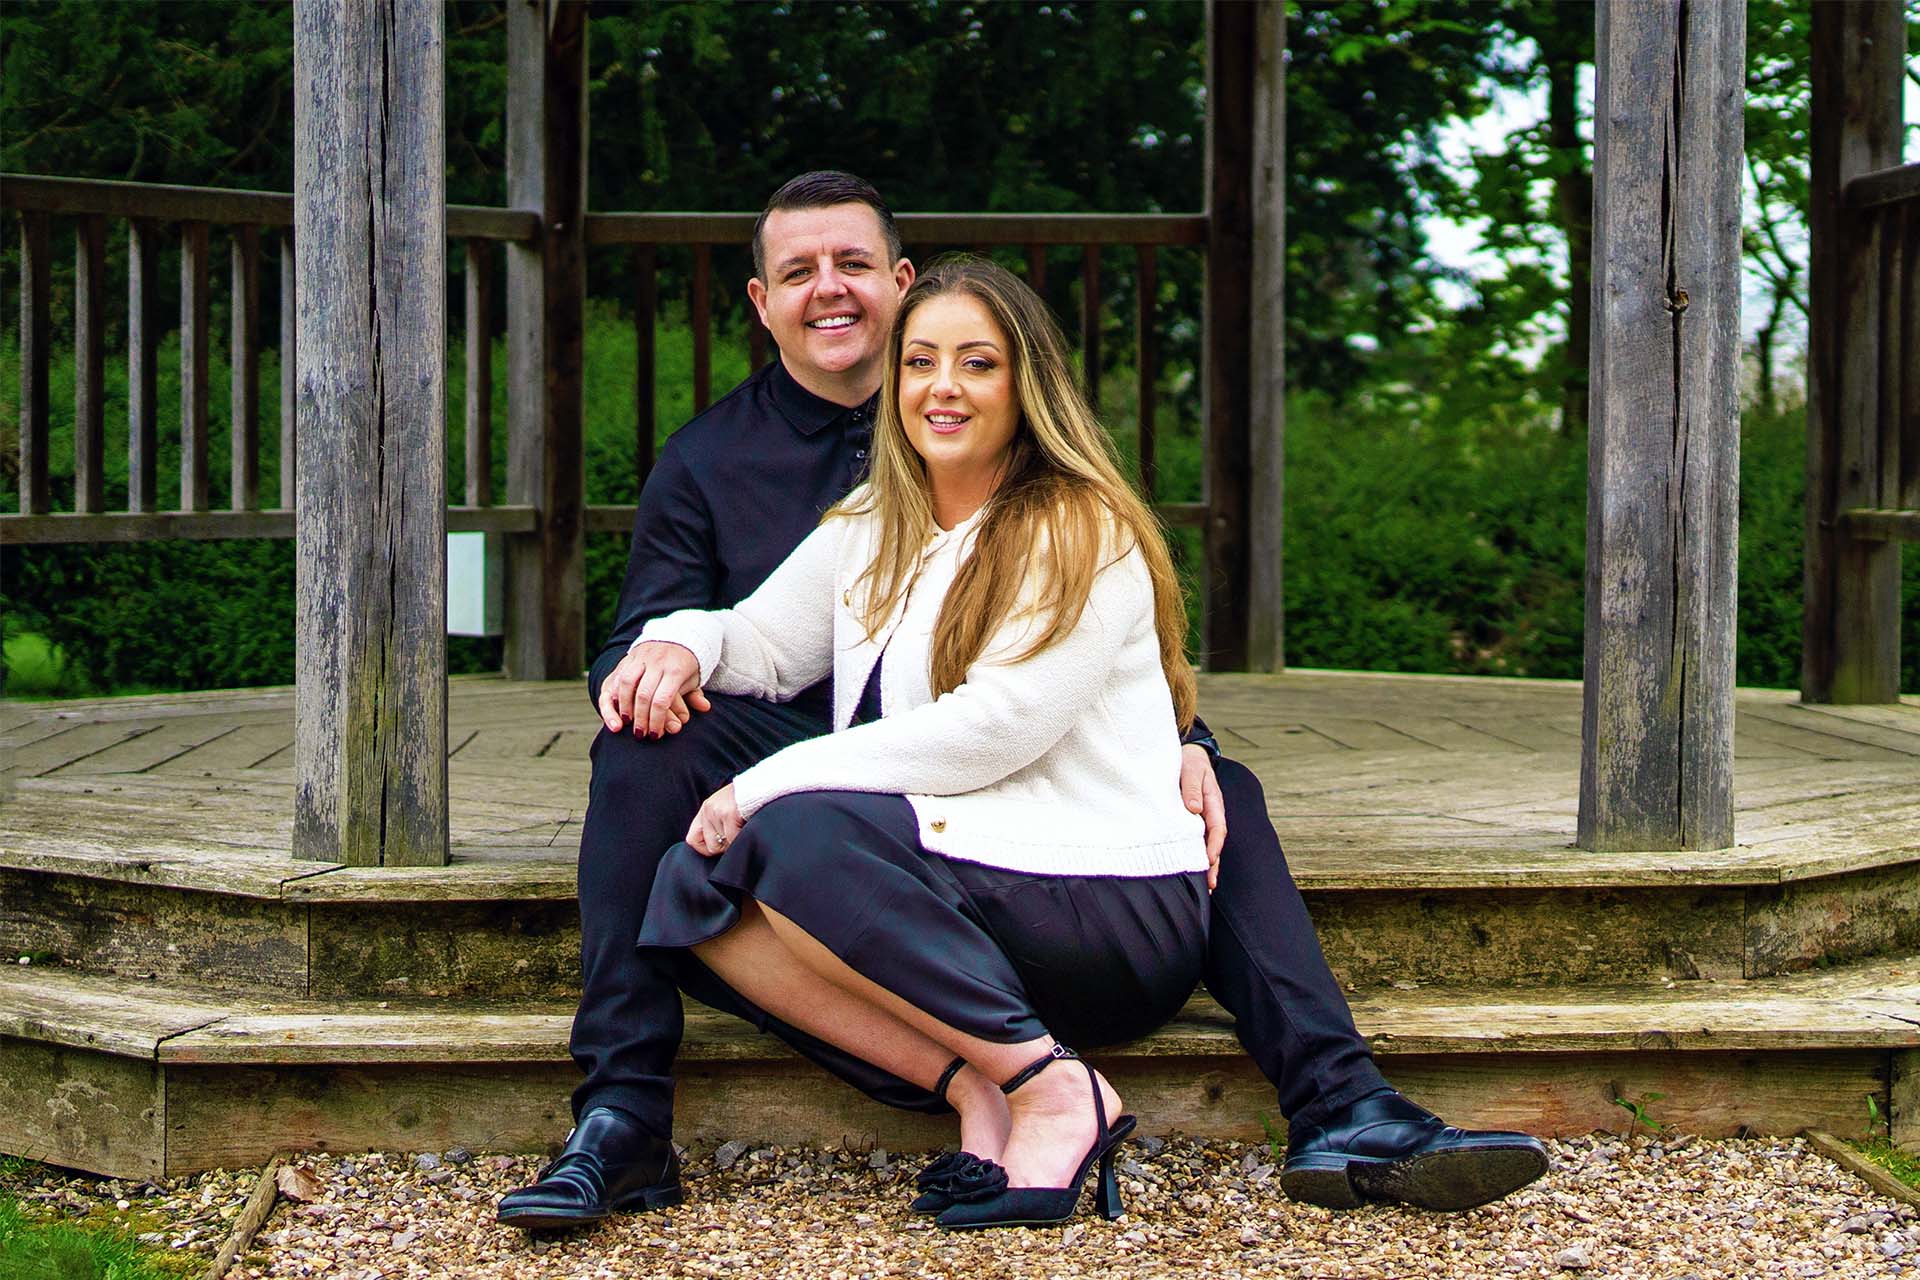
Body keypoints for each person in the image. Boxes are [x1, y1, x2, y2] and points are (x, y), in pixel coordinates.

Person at [495, 172, 1546, 1231]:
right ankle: (643, 1112)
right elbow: (742, 637)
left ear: (906, 292)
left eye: (857, 268)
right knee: (673, 846)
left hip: (1014, 836)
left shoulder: (1067, 517)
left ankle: (1342, 1097)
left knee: (1213, 782)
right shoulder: (772, 483)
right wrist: (678, 640)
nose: (835, 295)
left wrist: (1175, 737)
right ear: (760, 302)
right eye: (801, 273)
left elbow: (1020, 710)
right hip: (875, 800)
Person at [624, 255, 1211, 1228]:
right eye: (921, 361)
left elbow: (999, 725)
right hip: (975, 885)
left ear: (1027, 385)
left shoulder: (1077, 524)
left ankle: (1063, 1091)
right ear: (894, 381)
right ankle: (980, 1084)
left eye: (977, 363)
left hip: (1109, 905)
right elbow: (767, 642)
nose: (942, 387)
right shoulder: (876, 520)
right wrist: (681, 636)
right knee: (689, 888)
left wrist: (770, 779)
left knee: (792, 834)